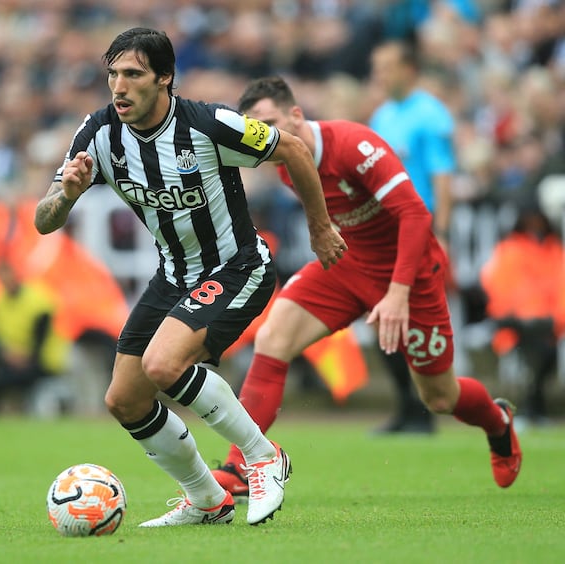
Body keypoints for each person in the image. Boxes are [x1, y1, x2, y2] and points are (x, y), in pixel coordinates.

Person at [33, 28, 346, 527]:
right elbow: (43, 220)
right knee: (124, 399)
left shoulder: (208, 123)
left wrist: (320, 228)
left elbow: (295, 151)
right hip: (173, 276)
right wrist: (67, 194)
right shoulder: (98, 134)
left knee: (163, 365)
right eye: (112, 74)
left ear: (164, 78)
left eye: (133, 74)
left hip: (238, 266)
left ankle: (263, 457)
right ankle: (206, 500)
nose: (119, 86)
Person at [211, 76, 522, 498]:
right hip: (348, 263)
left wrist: (397, 293)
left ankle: (497, 422)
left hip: (408, 273)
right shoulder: (284, 163)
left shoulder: (353, 144)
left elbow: (415, 216)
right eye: (258, 129)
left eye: (271, 122)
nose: (266, 135)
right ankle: (238, 465)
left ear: (297, 115)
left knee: (440, 397)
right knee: (272, 336)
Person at [367, 39, 458, 434]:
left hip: (417, 230)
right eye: (377, 67)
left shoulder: (430, 115)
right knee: (382, 320)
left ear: (409, 69)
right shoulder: (383, 115)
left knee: (415, 321)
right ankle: (408, 406)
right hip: (384, 232)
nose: (380, 75)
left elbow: (442, 175)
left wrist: (443, 231)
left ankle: (425, 408)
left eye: (386, 66)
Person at [480, 205, 564, 427]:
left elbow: (560, 289)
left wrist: (554, 319)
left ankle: (534, 407)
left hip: (547, 324)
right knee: (533, 350)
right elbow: (500, 288)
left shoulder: (554, 250)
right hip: (515, 322)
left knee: (544, 351)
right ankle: (528, 407)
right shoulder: (510, 249)